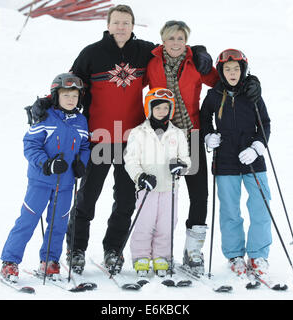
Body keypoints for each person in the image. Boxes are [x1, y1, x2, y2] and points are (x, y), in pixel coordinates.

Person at [30, 4, 215, 274]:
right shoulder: (91, 53)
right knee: (87, 198)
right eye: (116, 22)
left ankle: (113, 250)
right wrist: (47, 102)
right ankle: (76, 248)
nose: (121, 27)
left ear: (132, 25)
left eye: (126, 22)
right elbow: (70, 85)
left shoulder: (143, 51)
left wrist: (197, 50)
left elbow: (172, 48)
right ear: (108, 24)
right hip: (100, 137)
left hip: (131, 140)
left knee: (126, 200)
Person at [146, 21, 263, 275]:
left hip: (192, 134)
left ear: (186, 40)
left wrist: (252, 81)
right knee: (162, 194)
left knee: (199, 194)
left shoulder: (196, 62)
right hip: (162, 137)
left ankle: (193, 252)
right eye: (171, 38)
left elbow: (225, 81)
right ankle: (159, 253)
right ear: (162, 40)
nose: (176, 42)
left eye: (181, 38)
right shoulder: (152, 62)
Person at [0, 73, 90, 282]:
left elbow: (85, 146)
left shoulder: (81, 121)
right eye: (66, 95)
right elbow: (30, 145)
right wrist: (46, 163)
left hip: (67, 183)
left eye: (74, 96)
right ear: (56, 96)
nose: (70, 99)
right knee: (28, 220)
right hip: (41, 181)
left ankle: (50, 261)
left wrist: (80, 163)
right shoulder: (45, 117)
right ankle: (10, 261)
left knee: (58, 223)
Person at [200, 49, 272, 280]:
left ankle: (258, 254)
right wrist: (208, 136)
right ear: (221, 72)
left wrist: (257, 148)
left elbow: (265, 124)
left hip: (252, 158)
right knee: (230, 210)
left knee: (261, 206)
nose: (232, 73)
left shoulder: (252, 94)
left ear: (243, 71)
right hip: (226, 160)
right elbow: (203, 120)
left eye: (236, 69)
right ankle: (234, 256)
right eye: (228, 69)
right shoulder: (213, 95)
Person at [124, 88, 191, 277]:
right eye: (158, 108)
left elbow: (185, 158)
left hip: (170, 188)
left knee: (167, 224)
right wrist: (141, 176)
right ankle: (141, 257)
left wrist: (181, 166)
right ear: (148, 108)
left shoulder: (177, 134)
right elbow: (131, 160)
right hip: (147, 189)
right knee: (145, 224)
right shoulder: (138, 133)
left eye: (166, 108)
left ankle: (163, 256)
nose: (162, 111)